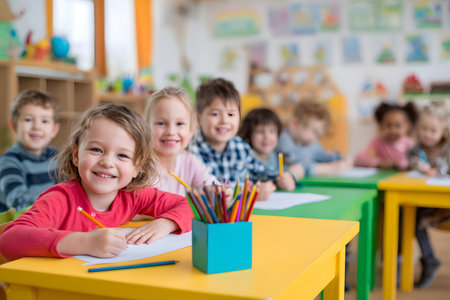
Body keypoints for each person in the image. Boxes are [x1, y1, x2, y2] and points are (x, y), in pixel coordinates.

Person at [0, 103, 192, 261]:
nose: (107, 162)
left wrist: (165, 224)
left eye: (123, 155)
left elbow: (191, 205)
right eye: (96, 150)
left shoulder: (133, 195)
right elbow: (9, 239)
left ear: (137, 167)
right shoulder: (60, 200)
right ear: (76, 155)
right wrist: (85, 242)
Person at [189, 78, 277, 200]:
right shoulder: (191, 151)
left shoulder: (240, 146)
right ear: (198, 119)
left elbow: (262, 172)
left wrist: (281, 178)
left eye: (231, 114)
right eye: (215, 114)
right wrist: (250, 196)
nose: (224, 121)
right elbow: (200, 193)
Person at [143, 87, 217, 195]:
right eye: (161, 123)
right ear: (146, 128)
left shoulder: (189, 161)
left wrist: (217, 191)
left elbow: (209, 183)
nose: (171, 132)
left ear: (191, 131)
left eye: (179, 124)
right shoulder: (142, 167)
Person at [408, 101, 450, 288]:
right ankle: (429, 259)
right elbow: (412, 160)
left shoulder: (447, 149)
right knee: (413, 218)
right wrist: (420, 166)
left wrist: (439, 170)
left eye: (433, 130)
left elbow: (444, 167)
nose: (427, 134)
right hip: (427, 203)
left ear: (444, 130)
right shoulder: (418, 149)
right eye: (424, 128)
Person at [0, 89, 60, 213]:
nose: (37, 127)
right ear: (14, 125)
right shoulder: (9, 161)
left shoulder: (55, 156)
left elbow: (69, 189)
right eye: (28, 120)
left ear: (54, 129)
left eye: (44, 121)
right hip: (21, 223)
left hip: (51, 219)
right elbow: (19, 200)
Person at [277, 100, 352, 176]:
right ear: (295, 122)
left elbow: (323, 156)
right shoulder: (283, 140)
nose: (315, 139)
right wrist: (326, 169)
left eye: (318, 135)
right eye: (314, 132)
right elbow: (296, 166)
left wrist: (340, 159)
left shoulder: (311, 143)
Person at [239, 108, 303, 191]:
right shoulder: (247, 156)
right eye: (260, 131)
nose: (267, 136)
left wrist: (289, 176)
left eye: (272, 131)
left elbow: (279, 172)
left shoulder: (273, 156)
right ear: (248, 134)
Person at [355, 101, 418, 170]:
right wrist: (381, 163)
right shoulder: (377, 142)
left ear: (407, 127)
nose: (393, 130)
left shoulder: (409, 143)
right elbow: (359, 158)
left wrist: (404, 163)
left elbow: (417, 160)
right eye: (388, 125)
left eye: (398, 126)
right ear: (381, 126)